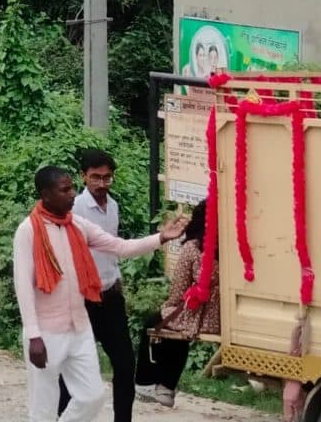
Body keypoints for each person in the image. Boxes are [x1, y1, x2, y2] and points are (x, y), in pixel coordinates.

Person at [14, 164, 185, 422]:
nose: (72, 194)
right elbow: (23, 285)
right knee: (43, 407)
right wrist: (33, 335)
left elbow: (120, 247)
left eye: (72, 188)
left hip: (79, 328)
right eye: (65, 190)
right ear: (46, 194)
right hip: (47, 332)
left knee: (92, 397)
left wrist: (161, 238)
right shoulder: (28, 230)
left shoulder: (77, 225)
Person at [58, 149, 139, 422]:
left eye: (107, 177)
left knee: (125, 364)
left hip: (111, 294)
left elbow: (114, 248)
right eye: (96, 177)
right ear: (84, 176)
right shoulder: (76, 208)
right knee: (73, 366)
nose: (102, 183)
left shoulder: (113, 206)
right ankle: (62, 417)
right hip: (83, 298)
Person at [135, 197, 218, 407]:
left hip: (202, 314)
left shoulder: (193, 248)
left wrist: (167, 306)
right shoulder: (233, 249)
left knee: (159, 321)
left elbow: (178, 291)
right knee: (175, 326)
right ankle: (165, 387)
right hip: (224, 316)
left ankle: (151, 383)